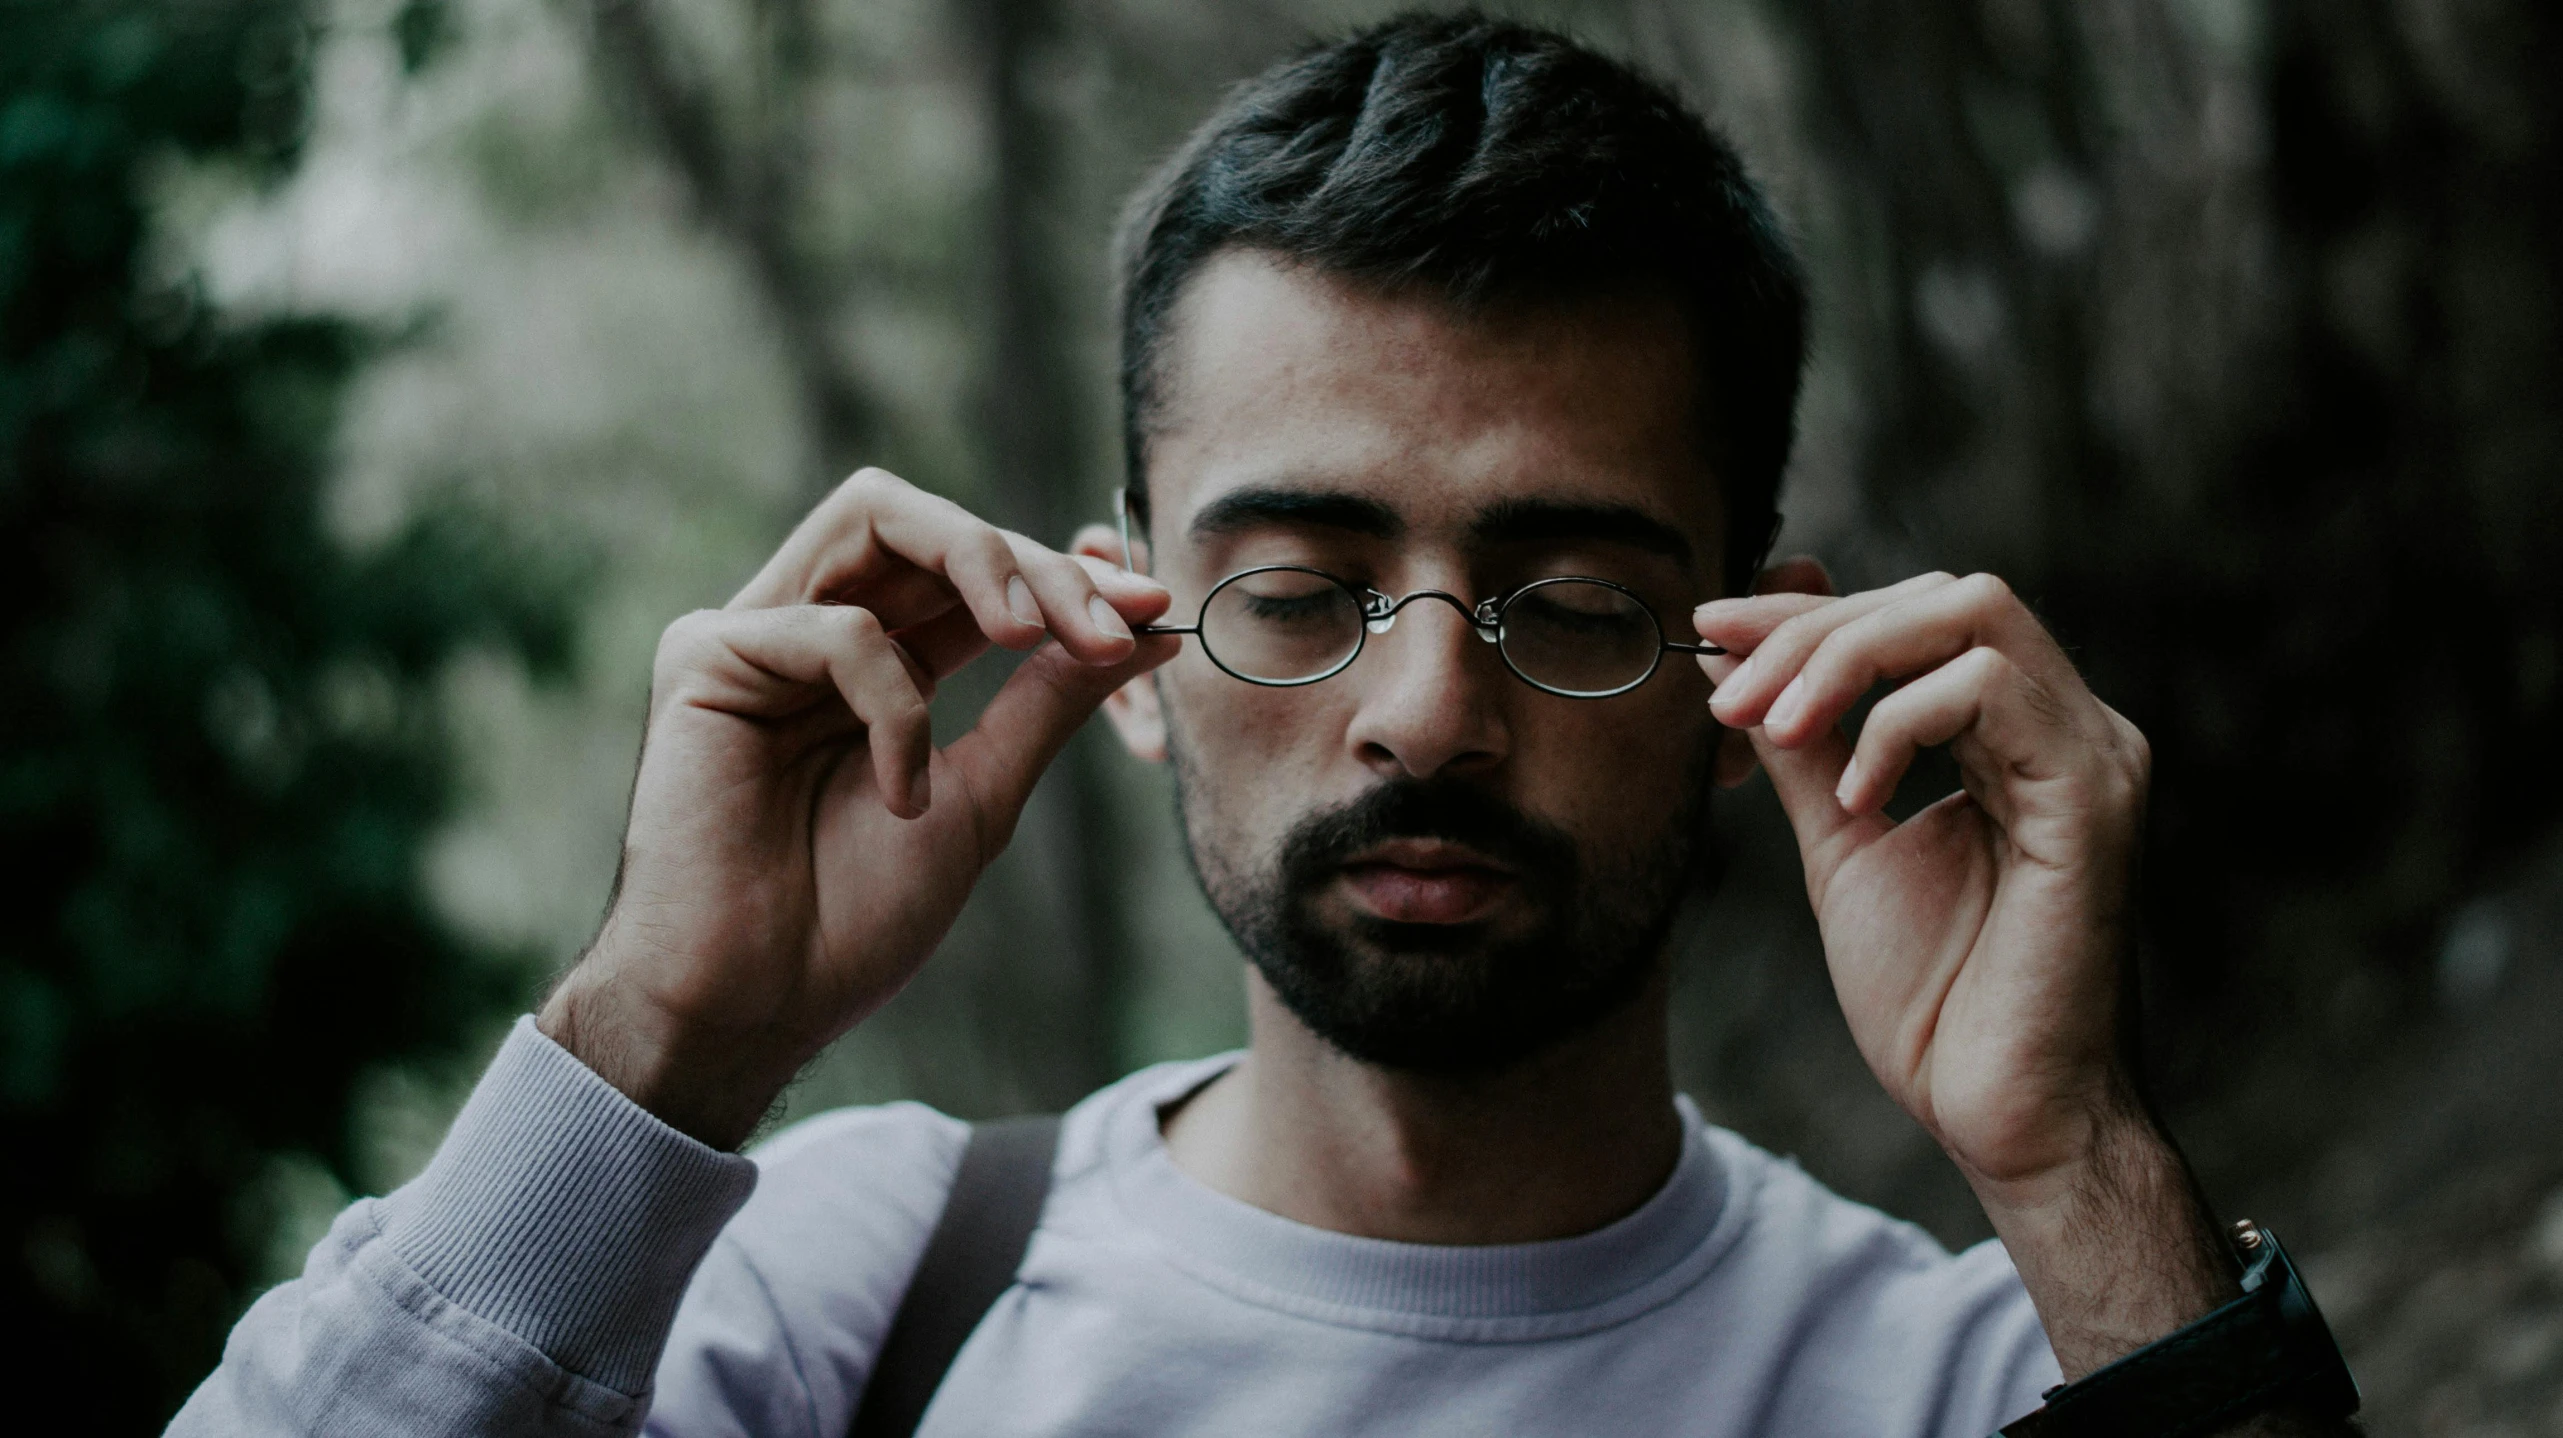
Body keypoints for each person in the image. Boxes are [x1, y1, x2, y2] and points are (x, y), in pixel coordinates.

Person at [172, 14, 2358, 1438]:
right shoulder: (838, 1299)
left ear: (1743, 679)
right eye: (1298, 592)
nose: (1424, 711)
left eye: (1579, 602)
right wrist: (661, 1028)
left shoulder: (1992, 1382)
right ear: (1120, 633)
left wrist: (2074, 1164)